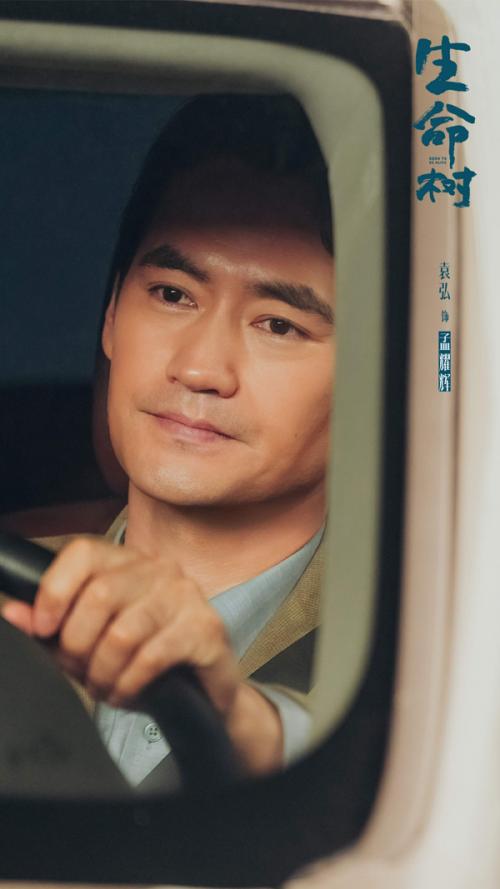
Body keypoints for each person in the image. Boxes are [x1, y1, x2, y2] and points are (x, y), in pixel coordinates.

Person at [1, 94, 335, 788]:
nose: (200, 369)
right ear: (111, 314)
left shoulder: (422, 645)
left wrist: (234, 714)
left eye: (279, 325)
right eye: (173, 294)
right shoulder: (14, 587)